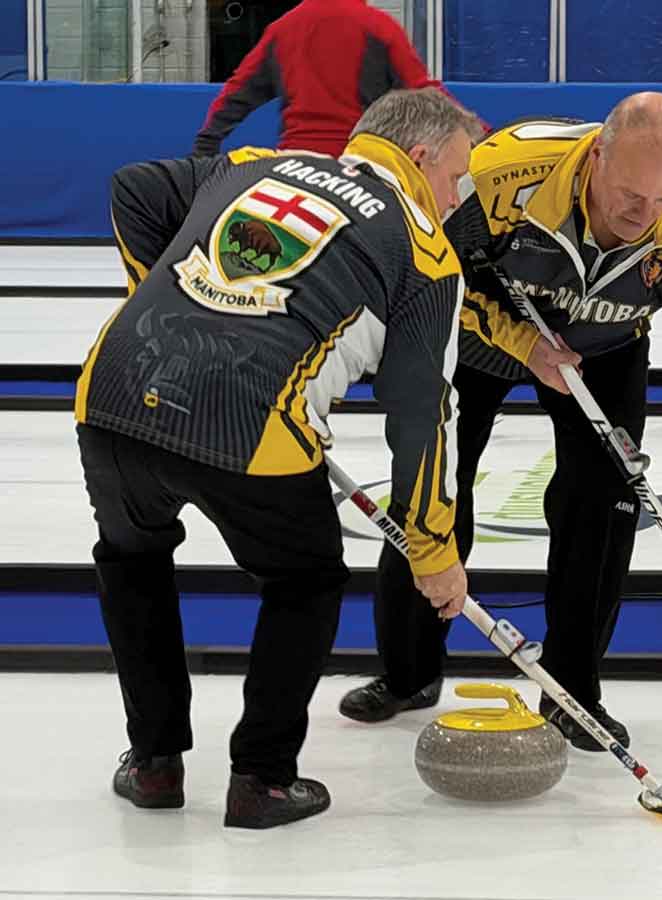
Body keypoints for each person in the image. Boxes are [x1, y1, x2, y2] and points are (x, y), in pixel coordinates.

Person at [75, 88, 484, 829]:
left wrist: (162, 303)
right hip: (247, 421)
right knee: (306, 581)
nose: (457, 199)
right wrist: (433, 547)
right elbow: (423, 417)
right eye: (456, 178)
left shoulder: (260, 161)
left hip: (114, 389)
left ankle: (156, 765)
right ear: (419, 157)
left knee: (132, 562)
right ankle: (261, 778)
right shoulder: (426, 251)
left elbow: (132, 188)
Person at [340, 93, 662, 752]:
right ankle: (406, 671)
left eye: (661, 201)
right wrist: (518, 341)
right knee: (436, 480)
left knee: (602, 509)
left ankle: (572, 692)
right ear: (596, 155)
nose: (643, 219)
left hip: (605, 348)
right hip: (476, 333)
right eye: (628, 197)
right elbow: (422, 278)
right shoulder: (499, 175)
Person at [194, 0, 453, 157]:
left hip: (294, 166)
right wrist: (479, 134)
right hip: (359, 167)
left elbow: (236, 93)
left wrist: (205, 145)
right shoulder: (379, 27)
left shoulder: (283, 28)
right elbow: (425, 93)